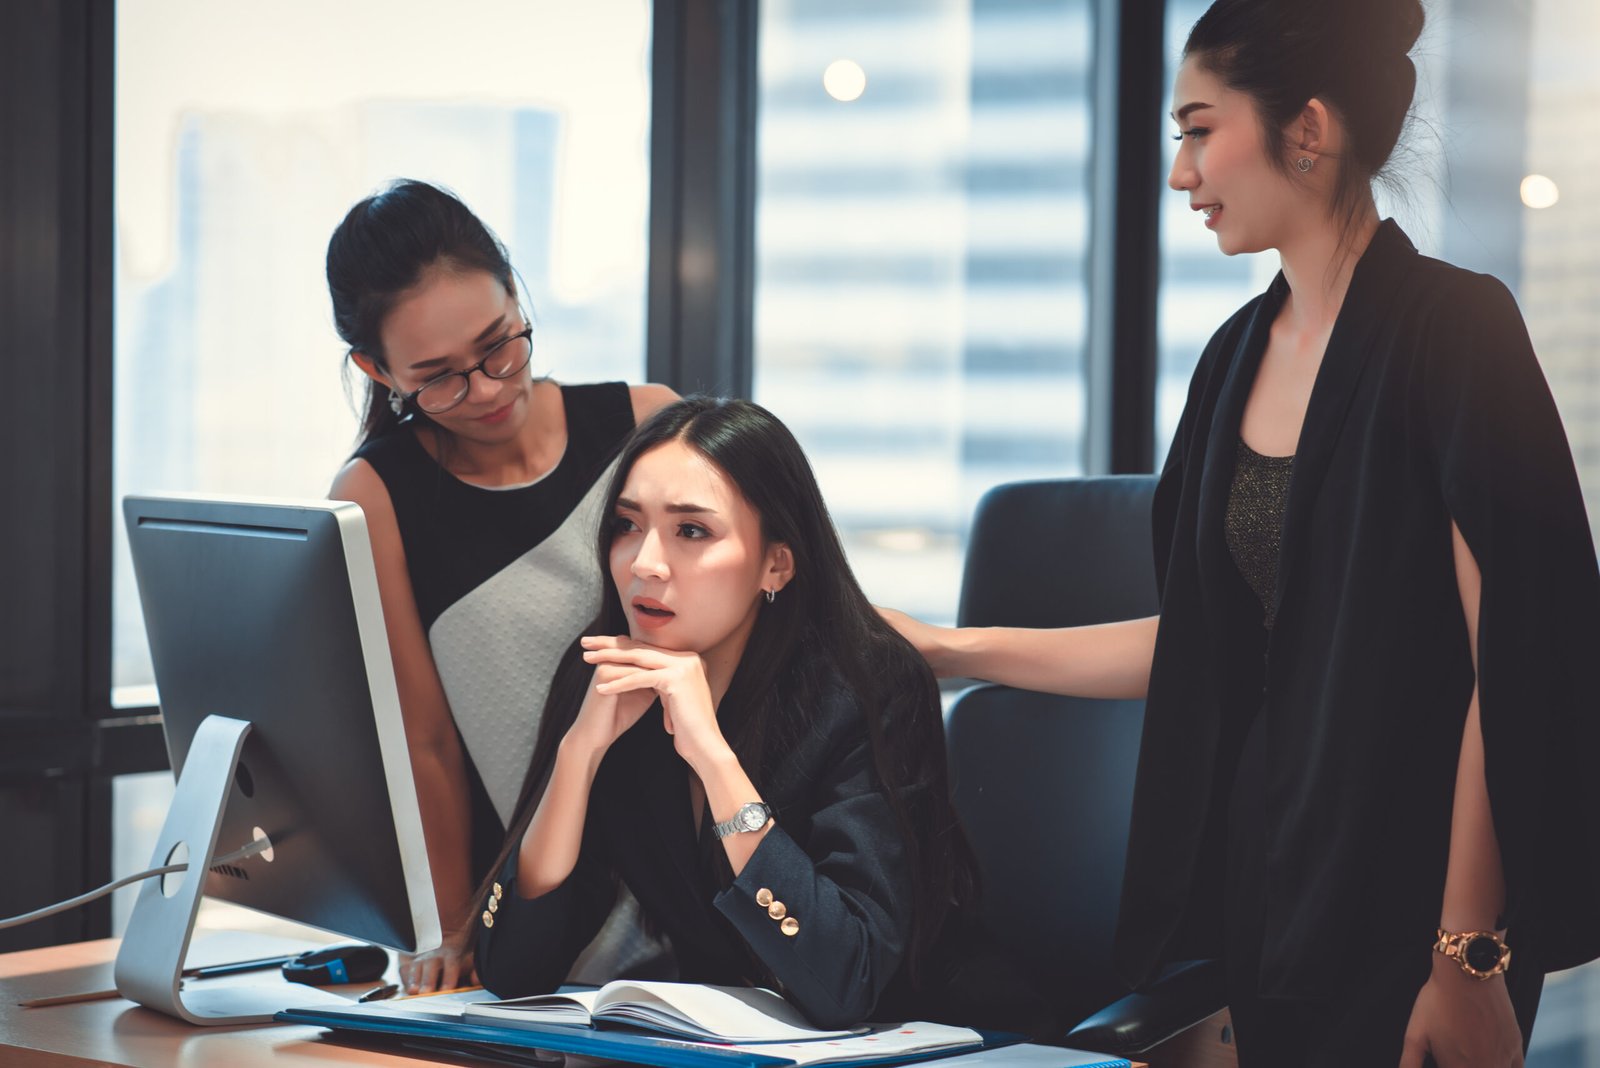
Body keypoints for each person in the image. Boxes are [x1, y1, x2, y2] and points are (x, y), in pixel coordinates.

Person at [883, 1, 1600, 1064]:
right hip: (1267, 901)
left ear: (1305, 130)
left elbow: (1517, 666)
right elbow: (1208, 647)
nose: (1180, 172)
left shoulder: (1455, 332)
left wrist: (1463, 955)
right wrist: (949, 650)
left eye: (1197, 128)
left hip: (1417, 911)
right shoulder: (1230, 360)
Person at [472, 397, 982, 1030]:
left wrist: (713, 759)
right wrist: (577, 756)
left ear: (776, 563)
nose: (644, 562)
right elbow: (511, 972)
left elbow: (850, 982)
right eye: (627, 525)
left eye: (692, 531)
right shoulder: (605, 676)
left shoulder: (867, 686)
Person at [326, 179, 676, 993]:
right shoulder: (375, 498)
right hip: (529, 906)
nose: (486, 390)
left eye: (499, 345)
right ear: (377, 370)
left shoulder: (647, 422)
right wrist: (449, 928)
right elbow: (428, 743)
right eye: (438, 376)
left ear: (517, 298)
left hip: (689, 859)